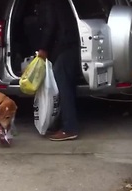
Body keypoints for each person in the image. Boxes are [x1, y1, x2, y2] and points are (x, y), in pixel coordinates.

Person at [36, 0, 80, 141]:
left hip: (65, 45)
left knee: (64, 87)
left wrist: (43, 48)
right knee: (68, 86)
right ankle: (66, 123)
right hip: (74, 43)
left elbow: (51, 23)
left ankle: (69, 128)